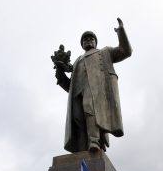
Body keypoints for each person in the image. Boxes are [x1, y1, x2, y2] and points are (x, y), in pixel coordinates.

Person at [54, 17, 132, 153]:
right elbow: (70, 86)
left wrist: (121, 31)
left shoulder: (104, 52)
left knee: (89, 108)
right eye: (85, 39)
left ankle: (94, 141)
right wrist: (60, 71)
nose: (88, 40)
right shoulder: (78, 61)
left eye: (91, 38)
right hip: (78, 93)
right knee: (78, 117)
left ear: (96, 42)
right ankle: (83, 146)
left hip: (96, 93)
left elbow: (125, 51)